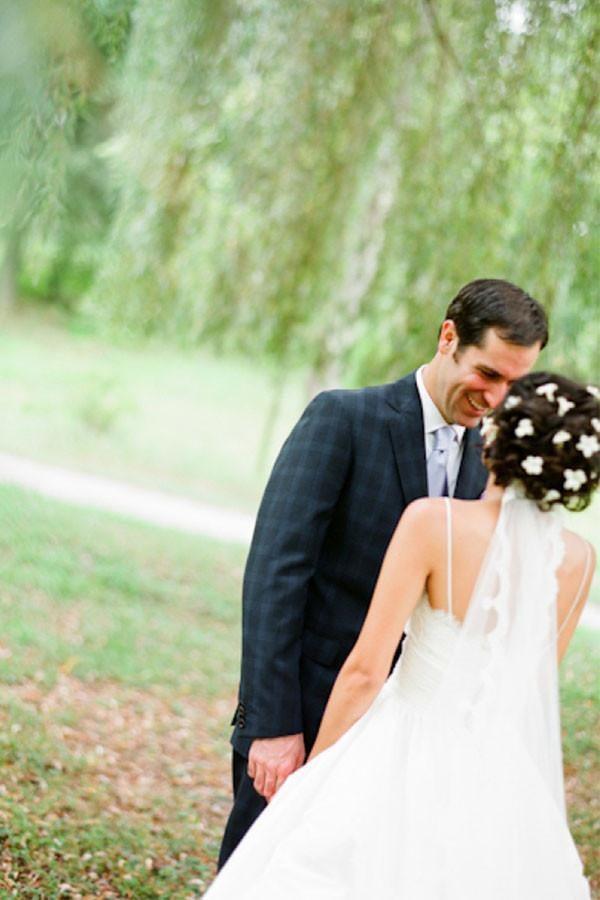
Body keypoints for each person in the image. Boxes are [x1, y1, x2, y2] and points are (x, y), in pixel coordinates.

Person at [207, 371, 599, 898]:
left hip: (399, 745)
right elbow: (530, 689)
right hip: (494, 770)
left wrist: (313, 781)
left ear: (500, 441)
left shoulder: (433, 524)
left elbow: (365, 672)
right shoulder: (577, 560)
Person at [218, 279, 548, 867]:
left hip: (405, 747)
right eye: (488, 374)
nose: (498, 398)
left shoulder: (491, 464)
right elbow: (275, 576)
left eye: (514, 385)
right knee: (263, 871)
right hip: (307, 714)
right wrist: (272, 726)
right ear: (448, 337)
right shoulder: (344, 419)